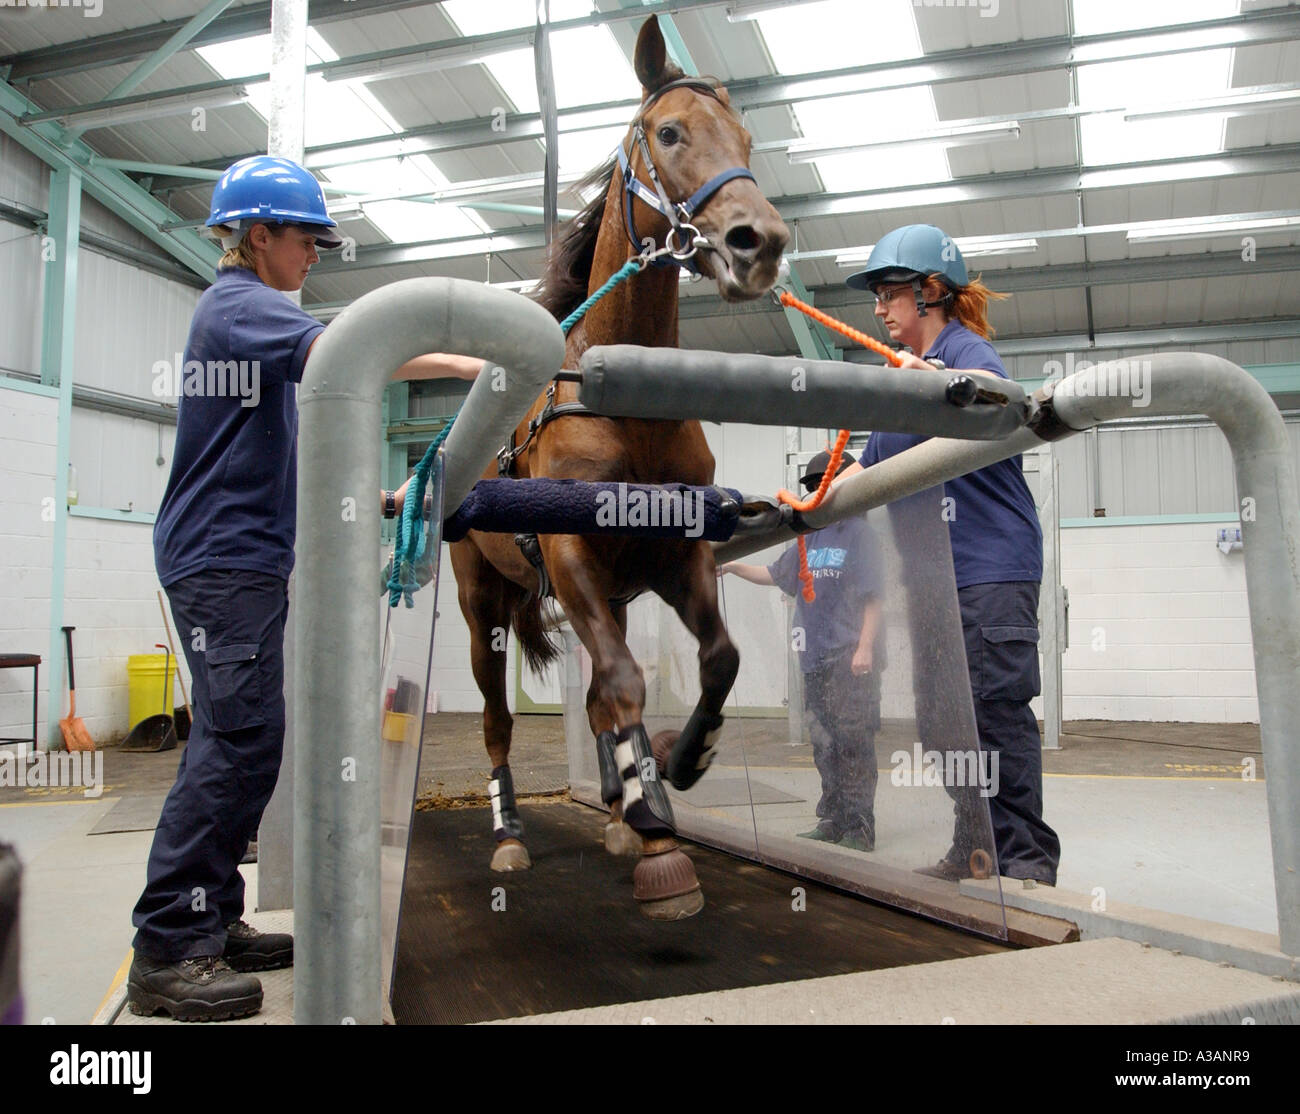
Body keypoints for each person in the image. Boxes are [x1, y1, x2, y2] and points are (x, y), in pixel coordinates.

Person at [130, 155, 483, 1022]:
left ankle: (212, 918)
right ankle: (168, 950)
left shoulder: (248, 319)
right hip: (222, 562)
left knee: (243, 737)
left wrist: (379, 498)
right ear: (259, 237)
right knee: (237, 742)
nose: (316, 254)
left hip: (236, 556)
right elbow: (354, 351)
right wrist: (483, 364)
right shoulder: (241, 306)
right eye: (306, 239)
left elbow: (283, 467)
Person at [836, 223, 1061, 886]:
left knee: (993, 714)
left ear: (930, 292)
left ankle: (1025, 865)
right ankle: (975, 845)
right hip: (936, 583)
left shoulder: (966, 355)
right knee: (941, 724)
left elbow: (985, 393)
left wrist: (929, 378)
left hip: (988, 571)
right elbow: (864, 470)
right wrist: (797, 507)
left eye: (889, 294)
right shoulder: (900, 388)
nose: (878, 310)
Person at [719, 452, 885, 852]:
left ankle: (860, 827)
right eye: (810, 485)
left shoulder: (860, 535)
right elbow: (777, 576)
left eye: (822, 484)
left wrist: (865, 648)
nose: (815, 491)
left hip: (849, 656)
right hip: (814, 657)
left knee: (852, 739)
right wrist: (732, 566)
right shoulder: (807, 536)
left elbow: (874, 598)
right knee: (824, 740)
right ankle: (833, 819)